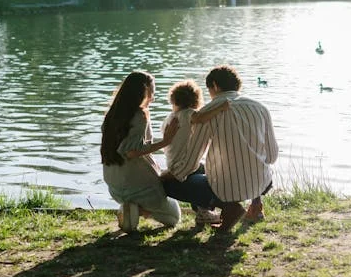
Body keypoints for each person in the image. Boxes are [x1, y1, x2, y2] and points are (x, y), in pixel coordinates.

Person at [162, 65, 278, 232]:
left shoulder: (208, 112)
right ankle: (255, 203)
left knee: (170, 184)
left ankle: (229, 208)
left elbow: (190, 162)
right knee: (250, 159)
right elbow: (272, 157)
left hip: (227, 189)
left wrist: (167, 175)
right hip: (263, 183)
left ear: (215, 86)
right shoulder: (260, 108)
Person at [128, 79, 229, 225]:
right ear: (195, 100)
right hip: (181, 164)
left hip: (172, 162)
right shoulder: (188, 114)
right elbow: (200, 118)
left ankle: (203, 211)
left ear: (173, 99)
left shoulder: (169, 118)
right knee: (204, 170)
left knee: (200, 167)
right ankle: (204, 211)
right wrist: (220, 108)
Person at [101, 71, 181, 233]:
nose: (153, 96)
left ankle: (132, 209)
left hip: (114, 187)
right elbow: (131, 152)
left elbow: (126, 149)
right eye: (152, 91)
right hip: (138, 187)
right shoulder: (140, 115)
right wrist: (166, 141)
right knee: (174, 218)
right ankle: (137, 210)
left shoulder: (112, 114)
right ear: (144, 90)